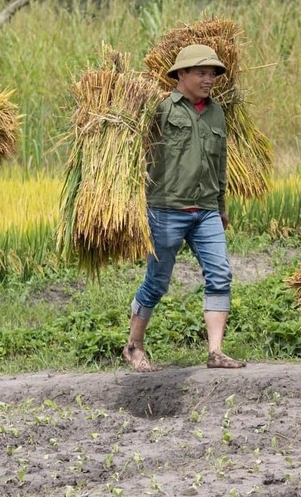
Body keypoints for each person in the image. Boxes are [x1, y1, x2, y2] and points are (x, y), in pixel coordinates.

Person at [123, 44, 245, 372]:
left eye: (213, 74)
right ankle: (134, 346)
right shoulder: (160, 109)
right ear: (182, 75)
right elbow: (131, 151)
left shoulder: (217, 112)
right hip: (166, 209)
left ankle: (216, 352)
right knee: (158, 281)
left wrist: (220, 205)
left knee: (220, 274)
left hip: (206, 210)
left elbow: (220, 163)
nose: (209, 80)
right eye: (202, 73)